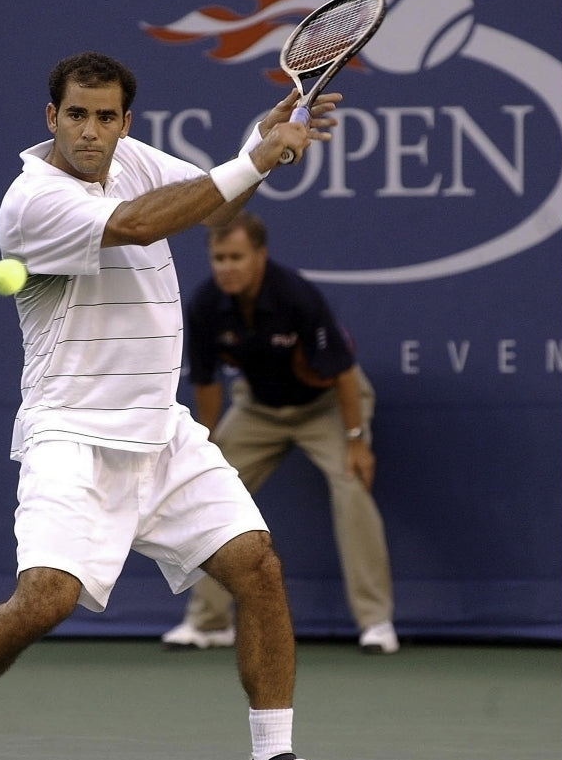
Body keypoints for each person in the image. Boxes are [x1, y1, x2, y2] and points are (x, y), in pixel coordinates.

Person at [0, 51, 348, 760]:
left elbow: (211, 205)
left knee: (259, 567)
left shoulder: (135, 160)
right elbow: (145, 224)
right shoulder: (31, 201)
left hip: (161, 429)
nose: (90, 130)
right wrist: (253, 157)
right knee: (45, 600)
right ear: (51, 117)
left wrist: (265, 143)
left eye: (106, 117)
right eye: (76, 115)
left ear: (125, 122)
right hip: (71, 433)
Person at [161, 212, 400, 656]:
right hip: (258, 409)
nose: (226, 267)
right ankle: (209, 622)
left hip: (326, 406)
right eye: (218, 258)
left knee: (352, 490)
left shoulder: (296, 296)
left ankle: (376, 622)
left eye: (236, 257)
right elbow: (208, 383)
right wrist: (207, 446)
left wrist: (355, 439)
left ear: (259, 257)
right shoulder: (204, 305)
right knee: (211, 494)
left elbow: (345, 372)